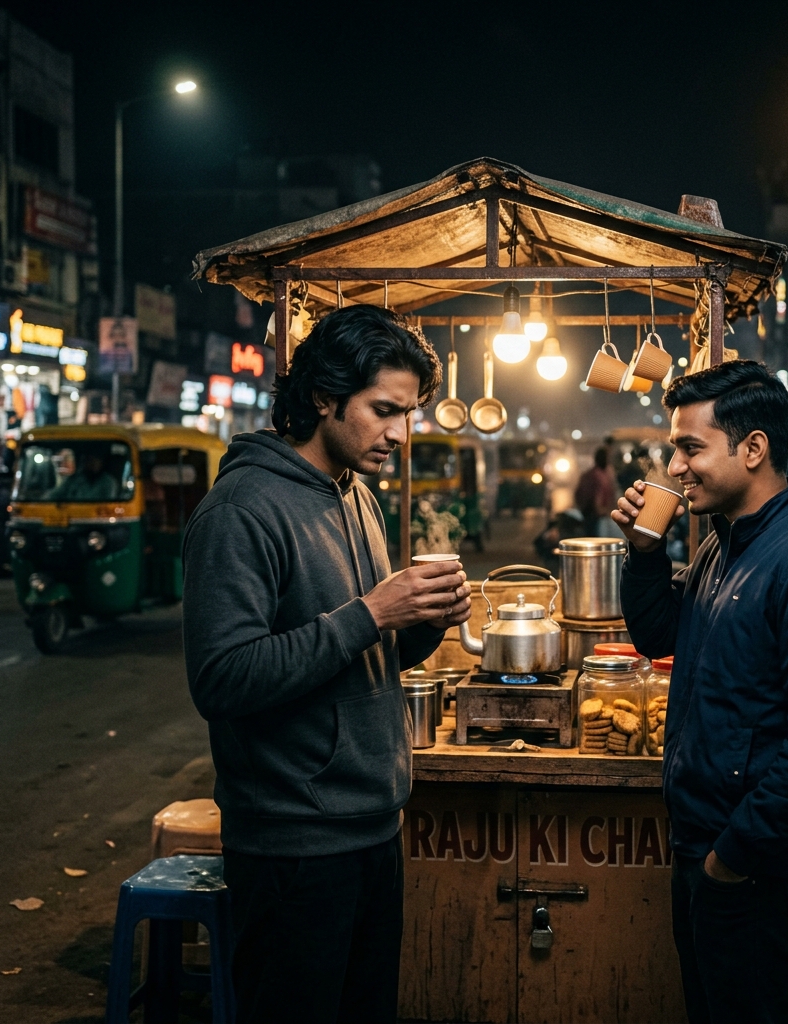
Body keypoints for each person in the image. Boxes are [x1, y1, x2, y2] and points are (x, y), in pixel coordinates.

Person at [182, 305, 472, 1024]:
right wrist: (373, 611)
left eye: (408, 414)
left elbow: (371, 653)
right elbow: (222, 678)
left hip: (372, 828)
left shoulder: (358, 496)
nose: (400, 434)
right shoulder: (241, 510)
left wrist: (424, 621)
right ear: (323, 397)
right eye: (383, 411)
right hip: (292, 847)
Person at [612, 360, 788, 1024]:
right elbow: (656, 634)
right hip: (707, 843)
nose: (674, 466)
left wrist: (733, 858)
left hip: (751, 864)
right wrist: (645, 550)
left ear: (753, 448)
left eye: (690, 447)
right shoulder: (722, 545)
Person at [574, 446, 618, 536]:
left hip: (593, 515)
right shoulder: (598, 476)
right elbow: (598, 497)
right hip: (595, 516)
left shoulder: (596, 474)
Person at [47, 451, 118, 501]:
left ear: (101, 463)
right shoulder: (74, 480)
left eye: (95, 461)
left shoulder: (108, 482)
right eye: (89, 460)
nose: (92, 464)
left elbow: (108, 503)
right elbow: (54, 495)